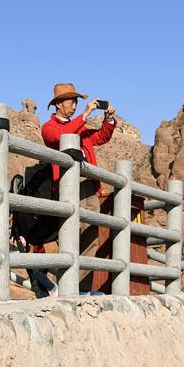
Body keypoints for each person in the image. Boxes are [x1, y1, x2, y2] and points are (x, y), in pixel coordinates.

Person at [40, 83, 117, 291]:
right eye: (70, 101)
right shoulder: (49, 126)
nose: (74, 105)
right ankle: (66, 285)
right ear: (58, 104)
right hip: (67, 186)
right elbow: (60, 137)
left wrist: (108, 120)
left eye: (76, 102)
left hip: (88, 185)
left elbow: (101, 137)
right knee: (70, 235)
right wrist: (84, 115)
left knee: (91, 236)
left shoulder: (80, 128)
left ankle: (81, 288)